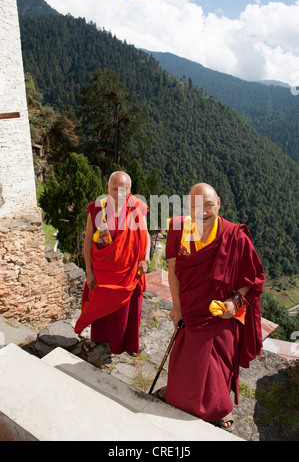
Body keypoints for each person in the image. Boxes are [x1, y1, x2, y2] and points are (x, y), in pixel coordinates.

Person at [154, 183, 265, 431]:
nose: (202, 210)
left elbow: (252, 278)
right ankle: (178, 394)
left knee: (218, 365)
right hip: (191, 310)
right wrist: (177, 307)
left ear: (219, 204)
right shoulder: (178, 228)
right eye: (195, 205)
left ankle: (219, 409)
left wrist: (233, 302)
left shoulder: (235, 235)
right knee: (185, 360)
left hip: (221, 314)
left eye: (208, 204)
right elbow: (173, 273)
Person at [75, 171, 151, 356]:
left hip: (130, 272)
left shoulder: (137, 207)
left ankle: (128, 343)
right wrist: (89, 272)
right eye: (114, 188)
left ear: (130, 189)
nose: (119, 193)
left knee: (128, 312)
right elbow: (88, 241)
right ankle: (99, 339)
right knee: (101, 307)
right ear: (107, 188)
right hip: (104, 271)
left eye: (123, 189)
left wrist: (146, 258)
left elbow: (146, 234)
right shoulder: (96, 209)